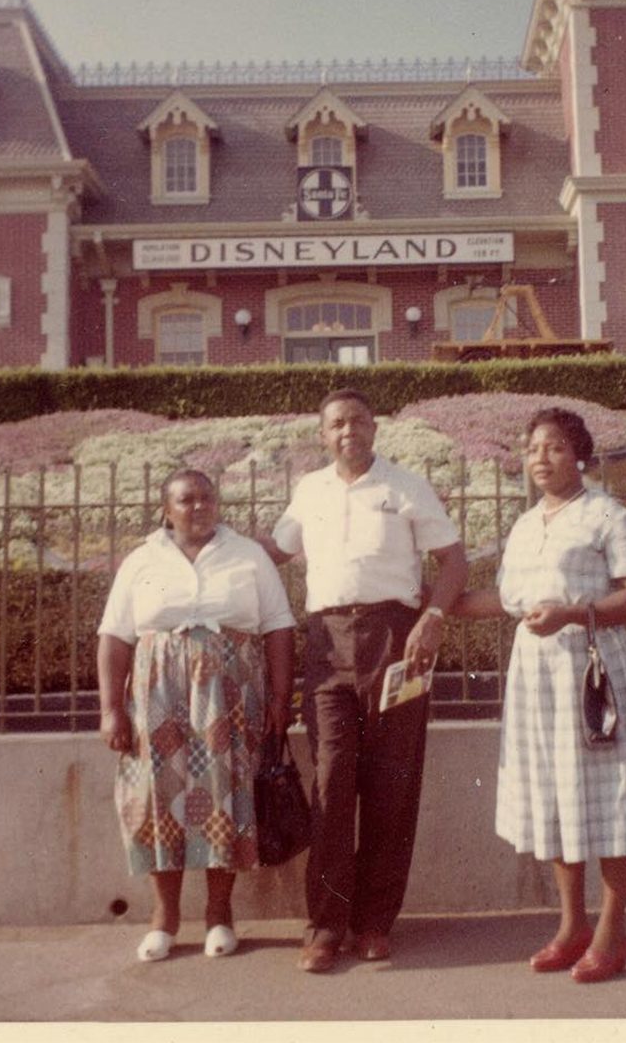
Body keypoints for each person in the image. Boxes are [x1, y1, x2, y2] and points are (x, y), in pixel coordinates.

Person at [451, 407, 626, 983]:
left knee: (610, 797)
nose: (540, 458)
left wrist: (574, 615)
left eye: (554, 447)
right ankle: (571, 925)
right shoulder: (528, 525)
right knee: (558, 796)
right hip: (537, 677)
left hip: (593, 672)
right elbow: (506, 602)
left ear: (579, 455)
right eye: (532, 448)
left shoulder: (610, 516)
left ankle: (611, 929)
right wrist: (431, 604)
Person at [262, 388, 468, 973]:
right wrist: (202, 547)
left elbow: (454, 562)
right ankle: (326, 924)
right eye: (335, 424)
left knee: (391, 785)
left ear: (374, 428)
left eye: (356, 421)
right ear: (322, 436)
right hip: (327, 645)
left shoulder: (405, 486)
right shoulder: (309, 491)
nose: (347, 431)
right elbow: (272, 552)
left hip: (395, 641)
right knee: (331, 783)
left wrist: (432, 618)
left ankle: (375, 921)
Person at [98, 468, 295, 963]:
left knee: (224, 797)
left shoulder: (247, 554)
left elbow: (278, 628)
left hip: (230, 700)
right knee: (157, 799)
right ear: (166, 509)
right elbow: (114, 637)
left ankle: (218, 914)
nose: (198, 507)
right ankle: (164, 919)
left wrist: (279, 698)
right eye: (186, 500)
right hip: (155, 699)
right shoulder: (142, 560)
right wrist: (110, 709)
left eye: (207, 498)